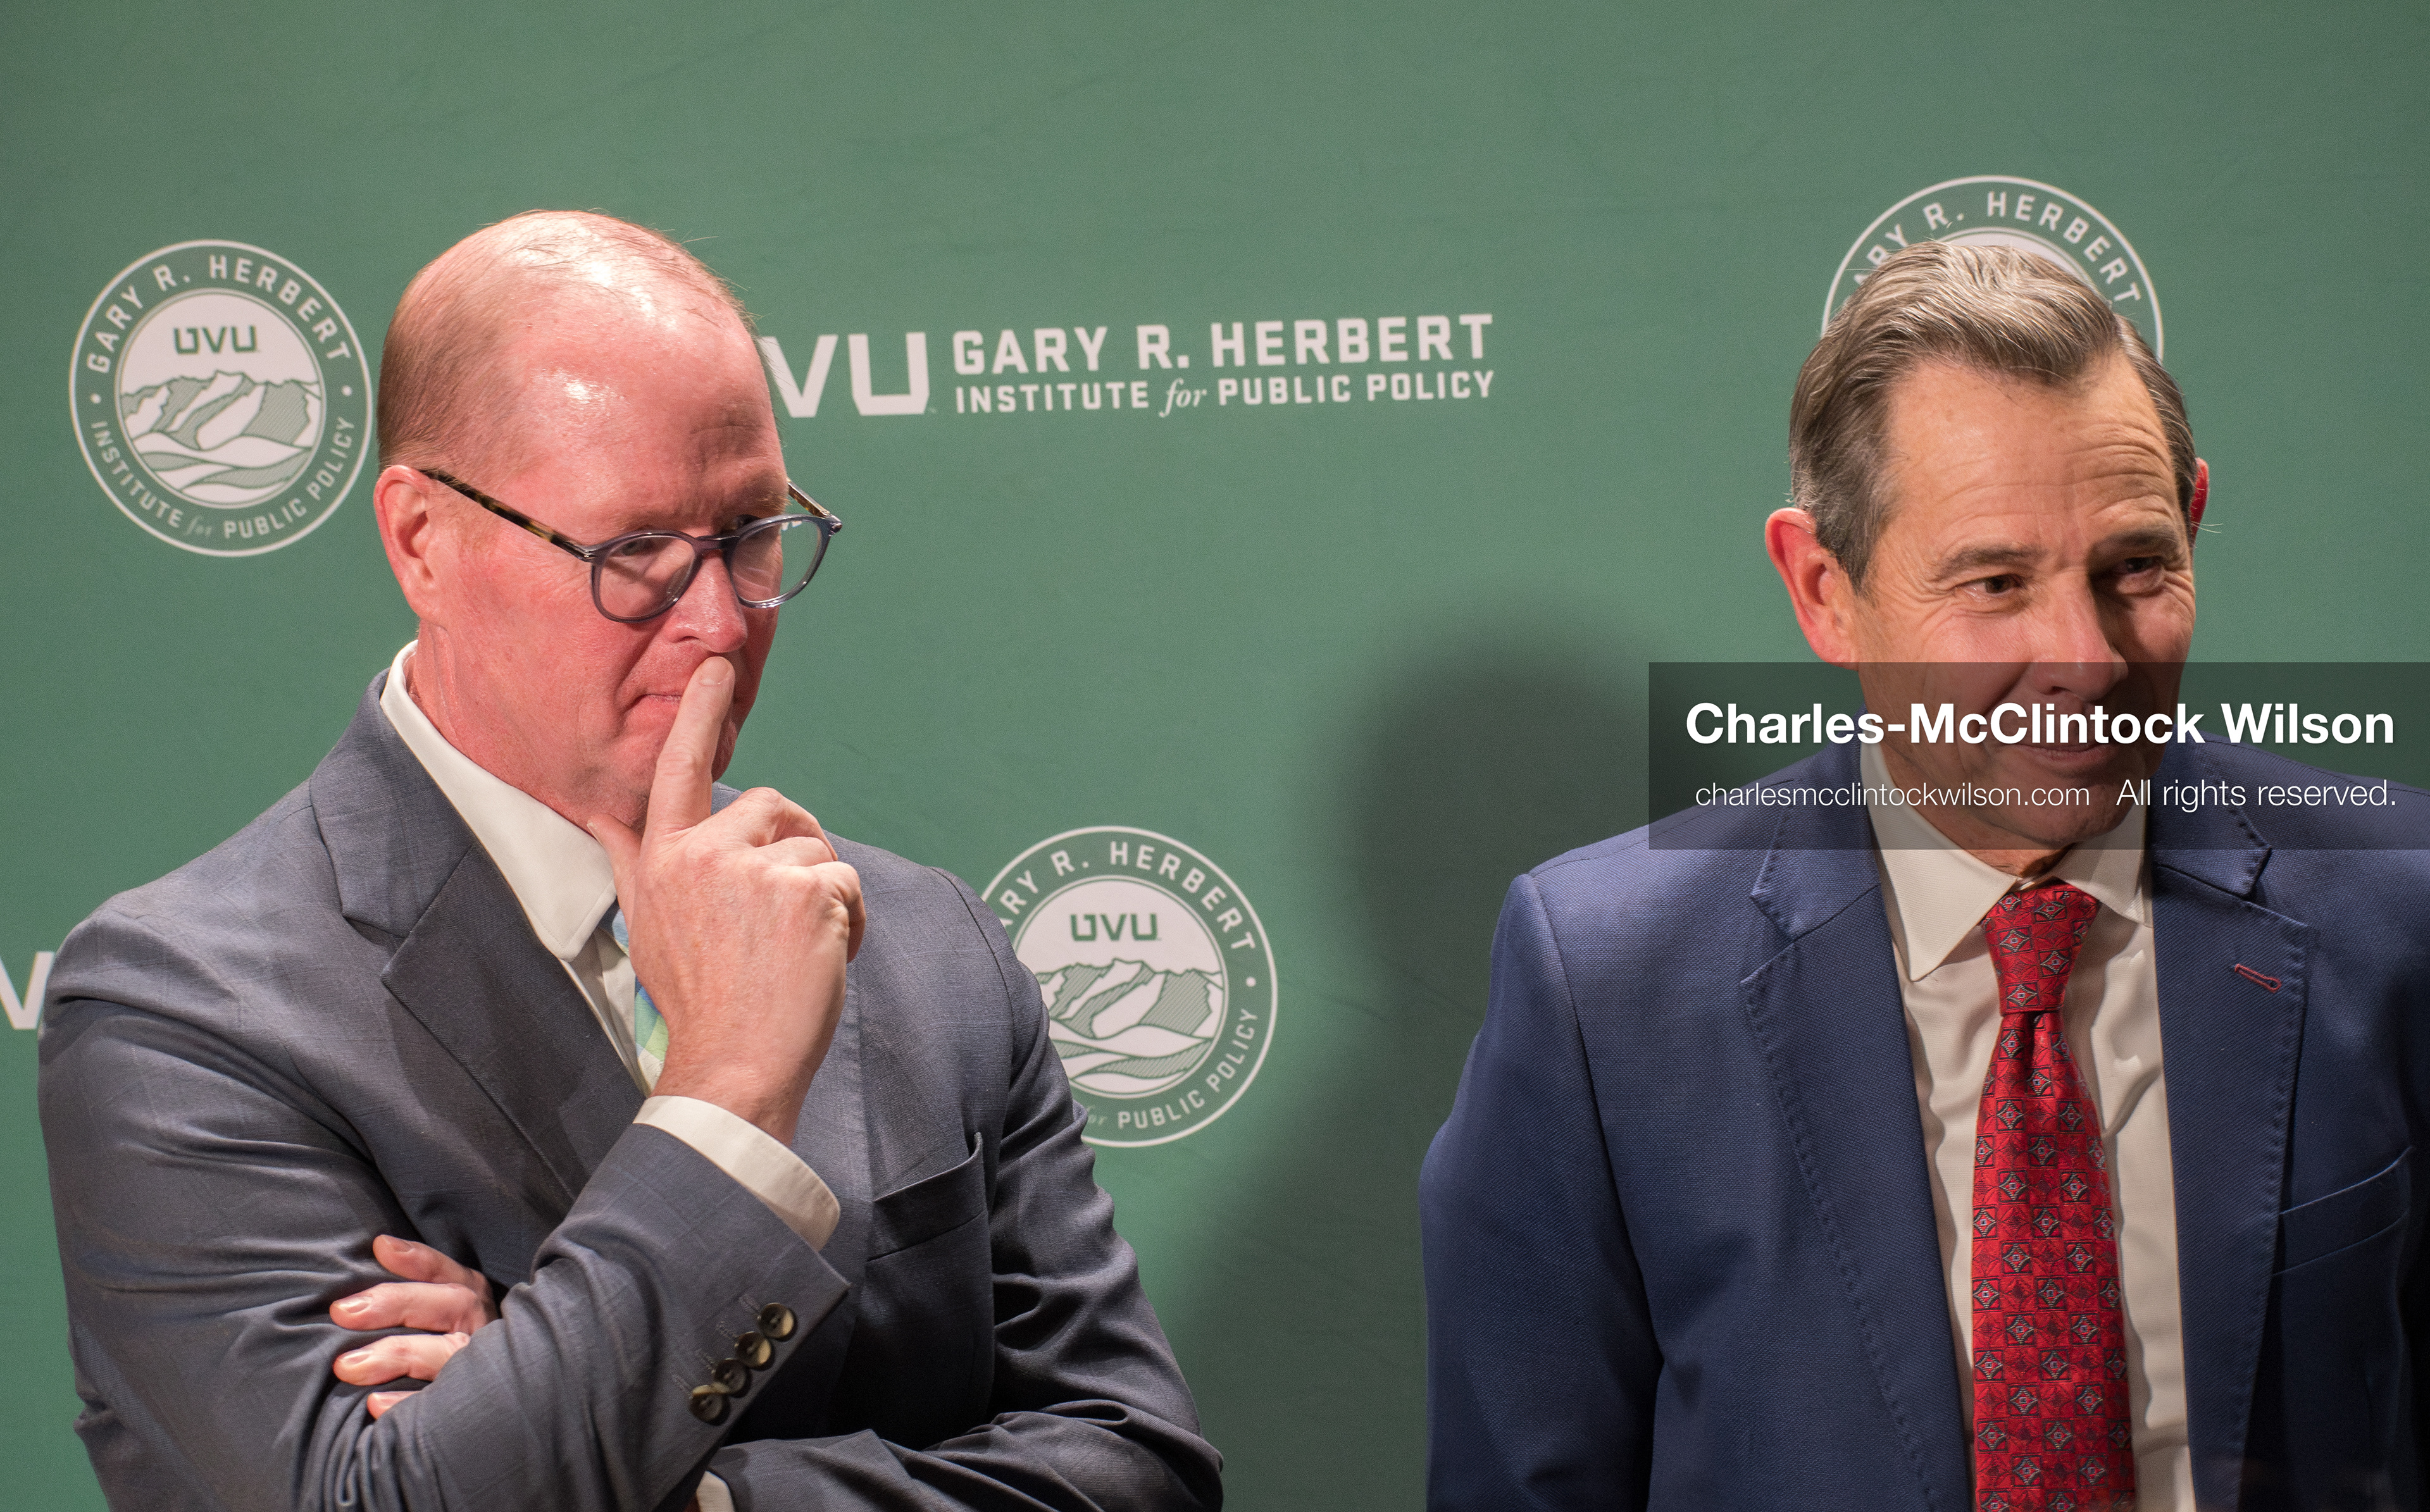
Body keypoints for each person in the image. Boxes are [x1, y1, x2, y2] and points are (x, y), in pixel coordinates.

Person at [39, 211, 1222, 1512]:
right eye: (635, 554)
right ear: (422, 538)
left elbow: (1139, 1468)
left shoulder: (929, 940)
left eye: (755, 532)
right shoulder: (187, 1011)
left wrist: (668, 1484)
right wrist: (723, 1095)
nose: (718, 622)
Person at [1421, 242, 2429, 1509]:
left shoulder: (2398, 909)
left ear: (2197, 520)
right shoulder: (1603, 982)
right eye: (1996, 584)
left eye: (2134, 568)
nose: (2083, 655)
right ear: (1823, 590)